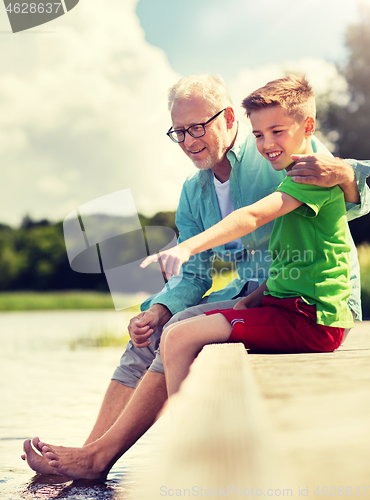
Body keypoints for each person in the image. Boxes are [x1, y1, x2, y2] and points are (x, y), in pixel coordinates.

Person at [22, 74, 370, 480]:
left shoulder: (275, 149)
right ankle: (90, 454)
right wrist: (160, 308)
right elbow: (196, 272)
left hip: (303, 300)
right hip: (252, 296)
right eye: (179, 132)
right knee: (152, 333)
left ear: (226, 118)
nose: (187, 142)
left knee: (184, 327)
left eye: (196, 129)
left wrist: (346, 177)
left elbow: (341, 182)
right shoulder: (194, 190)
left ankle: (112, 457)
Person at [142, 75, 353, 396]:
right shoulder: (285, 184)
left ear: (308, 127)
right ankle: (188, 430)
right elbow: (283, 268)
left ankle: (184, 438)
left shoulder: (310, 177)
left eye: (277, 132)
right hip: (285, 307)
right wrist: (245, 304)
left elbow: (251, 217)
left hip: (312, 320)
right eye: (258, 135)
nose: (267, 144)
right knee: (179, 330)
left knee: (179, 336)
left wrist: (185, 248)